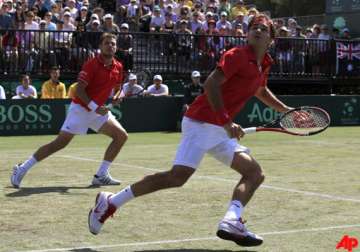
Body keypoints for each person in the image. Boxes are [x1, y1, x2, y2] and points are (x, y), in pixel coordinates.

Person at [88, 14, 294, 247]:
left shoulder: (263, 64)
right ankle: (111, 202)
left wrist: (285, 110)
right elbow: (211, 84)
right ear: (247, 34)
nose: (258, 30)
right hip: (202, 122)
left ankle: (231, 220)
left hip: (217, 129)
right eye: (254, 27)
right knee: (177, 177)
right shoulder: (237, 55)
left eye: (264, 28)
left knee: (254, 173)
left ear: (271, 39)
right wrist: (226, 122)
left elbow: (261, 91)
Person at [11, 33, 128, 188]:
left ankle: (101, 175)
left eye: (113, 43)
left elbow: (118, 89)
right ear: (100, 46)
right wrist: (95, 107)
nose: (110, 46)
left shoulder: (118, 67)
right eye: (107, 43)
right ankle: (22, 168)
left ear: (116, 47)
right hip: (80, 109)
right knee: (59, 143)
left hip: (98, 111)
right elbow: (79, 90)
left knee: (121, 136)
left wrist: (119, 96)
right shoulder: (91, 64)